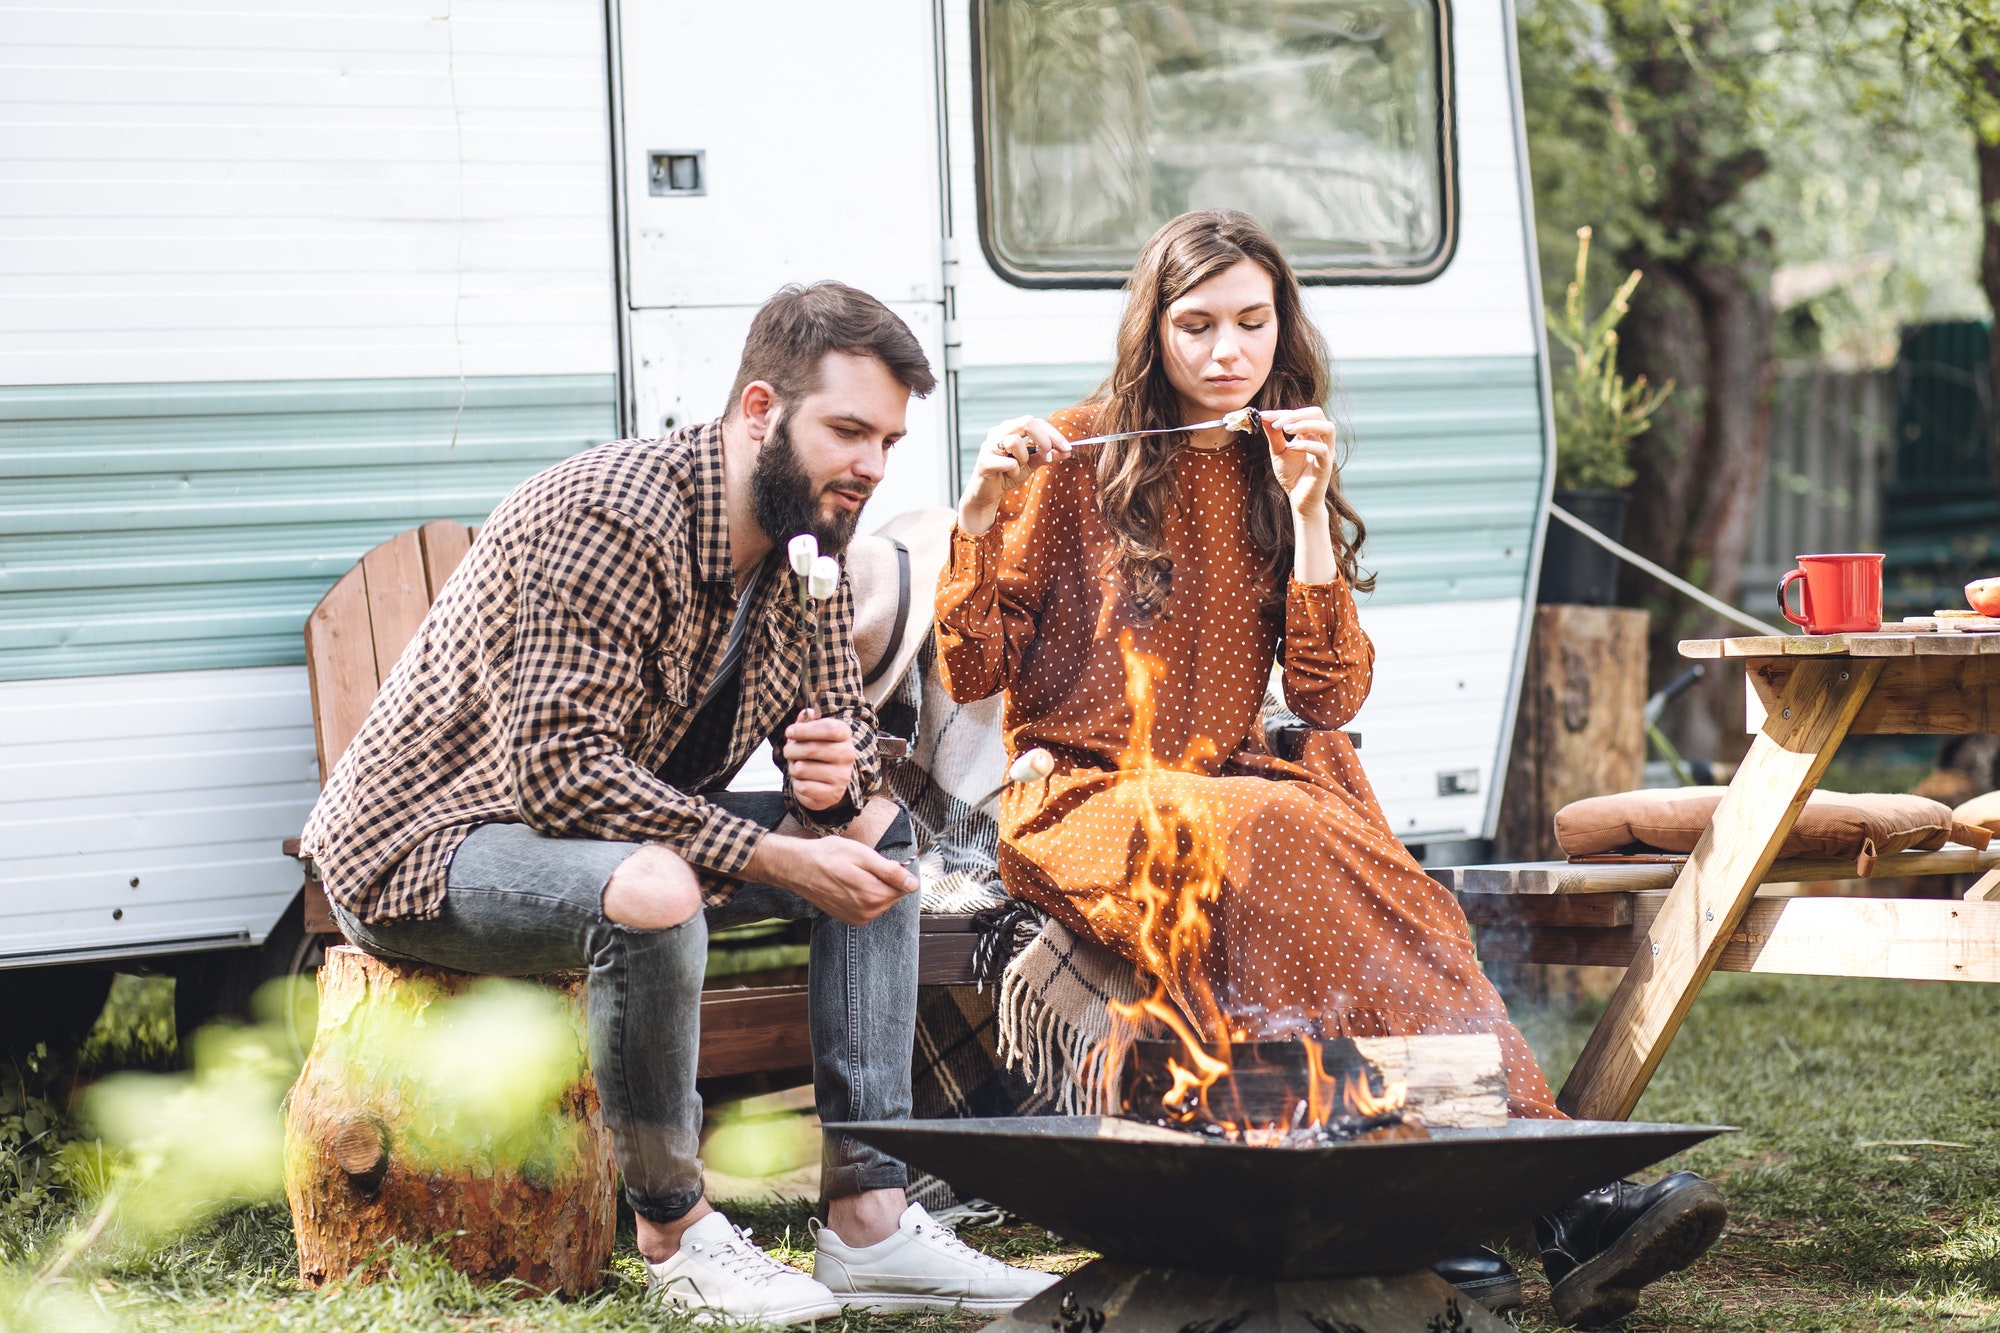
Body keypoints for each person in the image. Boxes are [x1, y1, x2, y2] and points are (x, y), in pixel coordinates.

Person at [934, 211, 1723, 1328]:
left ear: (1280, 328)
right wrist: (978, 509)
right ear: (1150, 333)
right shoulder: (1077, 457)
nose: (1226, 352)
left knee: (1410, 903)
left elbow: (1326, 697)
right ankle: (1469, 1217)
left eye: (1250, 323)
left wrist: (1306, 514)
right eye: (1195, 325)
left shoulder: (1274, 468)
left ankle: (1547, 1204)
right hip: (1083, 793)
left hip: (1236, 787)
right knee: (1270, 833)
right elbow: (970, 662)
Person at [303, 281, 1054, 1324]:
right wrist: (782, 858)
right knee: (656, 889)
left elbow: (836, 737)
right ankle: (673, 1229)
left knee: (881, 847)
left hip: (605, 826)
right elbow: (561, 772)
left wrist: (834, 778)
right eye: (847, 430)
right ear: (758, 410)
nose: (871, 468)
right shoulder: (613, 515)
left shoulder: (809, 538)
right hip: (432, 845)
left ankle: (871, 1221)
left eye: (887, 439)